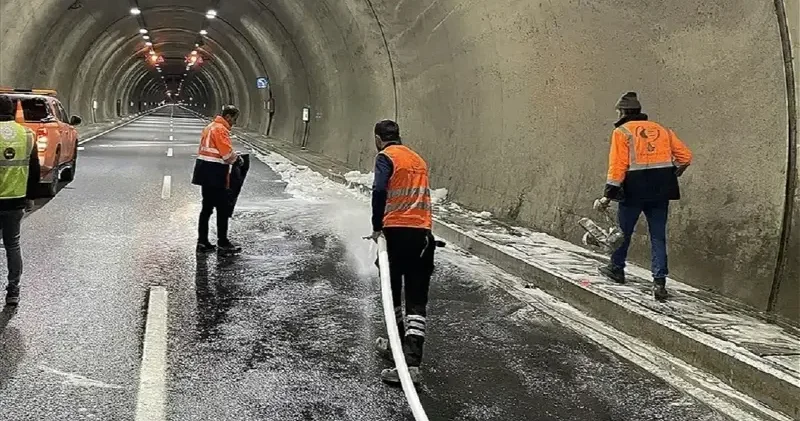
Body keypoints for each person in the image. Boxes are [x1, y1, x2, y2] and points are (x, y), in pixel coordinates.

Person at [595, 92, 693, 301]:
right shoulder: (662, 129)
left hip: (633, 191)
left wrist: (607, 196)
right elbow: (685, 156)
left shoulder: (622, 132)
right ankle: (659, 283)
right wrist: (673, 173)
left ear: (622, 112)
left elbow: (618, 166)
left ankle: (616, 269)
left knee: (623, 232)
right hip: (661, 191)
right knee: (658, 236)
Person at [370, 119, 436, 385]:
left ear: (378, 138)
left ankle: (399, 351)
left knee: (391, 292)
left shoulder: (385, 157)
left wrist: (377, 226)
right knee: (417, 300)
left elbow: (379, 190)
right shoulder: (417, 159)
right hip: (422, 236)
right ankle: (410, 359)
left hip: (396, 234)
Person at [0, 95, 40, 305]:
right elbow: (34, 169)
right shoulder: (26, 134)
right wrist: (31, 197)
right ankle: (13, 290)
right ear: (14, 110)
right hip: (16, 200)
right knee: (12, 244)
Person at [191, 105, 243, 254]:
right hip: (215, 172)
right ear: (228, 117)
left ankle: (202, 242)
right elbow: (226, 155)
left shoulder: (209, 127)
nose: (234, 122)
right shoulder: (221, 130)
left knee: (206, 209)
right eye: (234, 119)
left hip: (203, 171)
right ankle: (223, 243)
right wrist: (237, 159)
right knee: (222, 208)